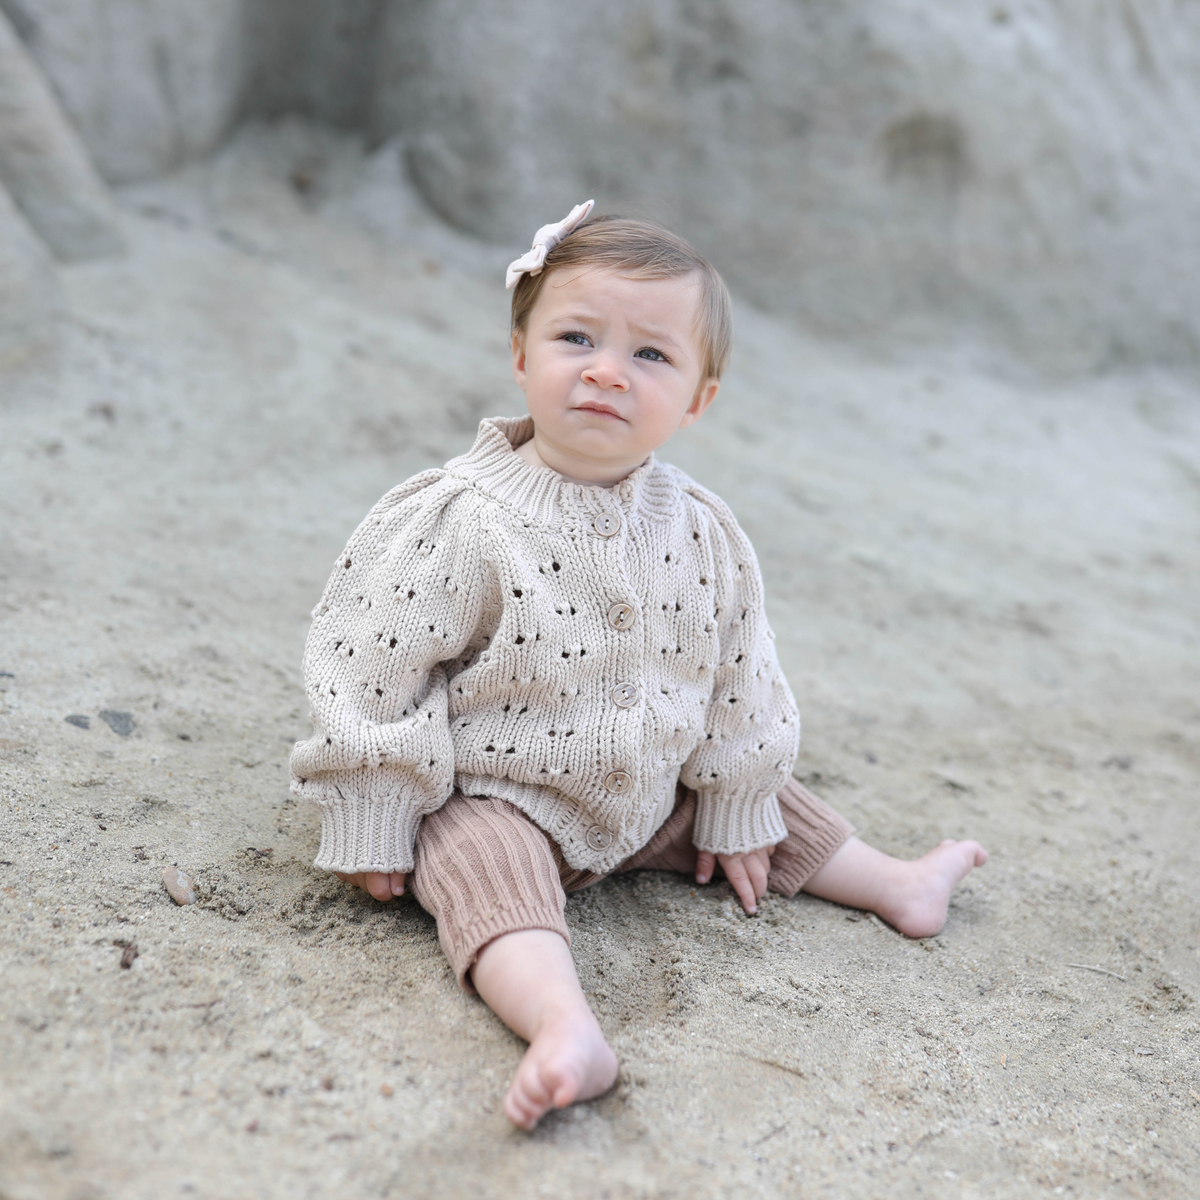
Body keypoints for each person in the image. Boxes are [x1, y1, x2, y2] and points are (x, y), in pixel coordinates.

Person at [290, 201, 987, 1131]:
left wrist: (737, 801)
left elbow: (742, 679)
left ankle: (895, 882)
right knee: (481, 869)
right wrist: (374, 808)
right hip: (503, 792)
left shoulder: (704, 530)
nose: (607, 372)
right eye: (576, 337)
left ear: (697, 399)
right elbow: (372, 668)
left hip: (649, 792)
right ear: (521, 355)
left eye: (652, 356)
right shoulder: (461, 518)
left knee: (764, 797)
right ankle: (563, 1024)